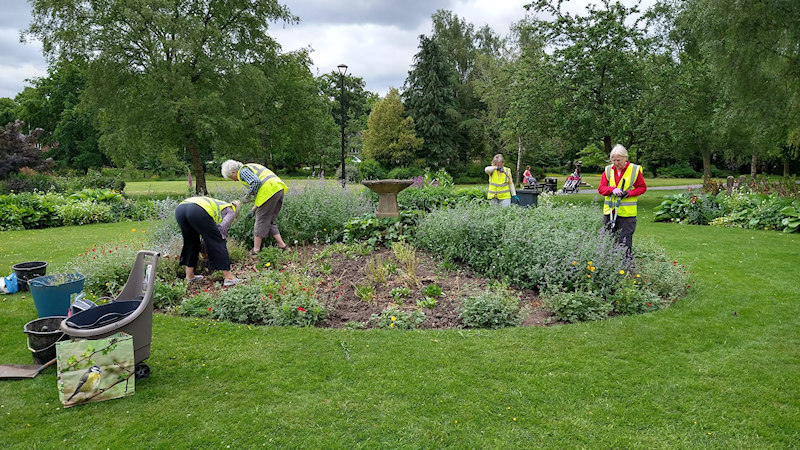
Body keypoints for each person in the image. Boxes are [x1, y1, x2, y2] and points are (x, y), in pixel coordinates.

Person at [221, 160, 289, 254]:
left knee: (261, 220)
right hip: (277, 189)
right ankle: (283, 246)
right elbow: (261, 193)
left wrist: (247, 196)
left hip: (269, 191)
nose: (235, 180)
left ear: (234, 172)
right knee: (270, 220)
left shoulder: (242, 171)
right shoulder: (251, 166)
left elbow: (256, 182)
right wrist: (253, 209)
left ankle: (256, 250)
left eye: (233, 178)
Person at [174, 196, 241, 286]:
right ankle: (229, 278)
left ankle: (189, 276)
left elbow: (205, 233)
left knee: (191, 242)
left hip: (180, 209)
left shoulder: (219, 204)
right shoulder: (231, 211)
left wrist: (204, 249)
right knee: (218, 240)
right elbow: (221, 231)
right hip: (196, 210)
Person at [598, 144, 647, 257]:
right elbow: (601, 188)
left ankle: (626, 268)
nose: (615, 163)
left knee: (625, 243)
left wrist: (628, 193)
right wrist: (612, 189)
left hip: (627, 214)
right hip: (610, 212)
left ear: (625, 158)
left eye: (618, 160)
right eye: (613, 160)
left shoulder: (634, 170)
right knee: (607, 241)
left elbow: (642, 188)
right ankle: (608, 267)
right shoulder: (608, 170)